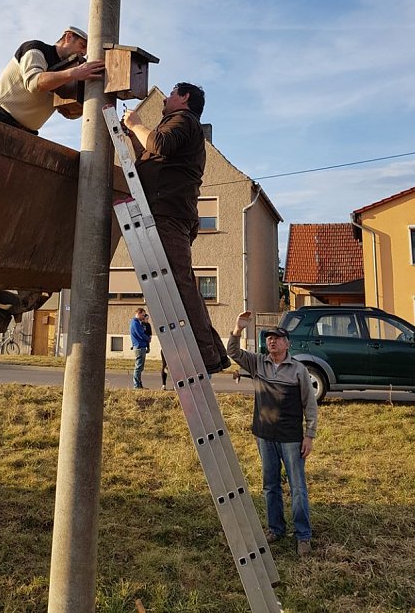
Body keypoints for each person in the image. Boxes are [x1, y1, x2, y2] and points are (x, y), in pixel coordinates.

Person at [122, 83, 230, 375]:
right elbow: (155, 155)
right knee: (181, 283)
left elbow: (159, 145)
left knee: (180, 284)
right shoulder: (180, 126)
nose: (165, 99)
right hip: (170, 211)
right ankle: (211, 353)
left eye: (171, 94)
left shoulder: (182, 121)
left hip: (168, 212)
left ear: (184, 98)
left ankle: (205, 356)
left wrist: (136, 124)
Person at [227, 312, 318, 556]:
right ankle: (275, 529)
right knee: (270, 485)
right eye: (269, 338)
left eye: (277, 338)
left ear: (287, 344)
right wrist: (238, 329)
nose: (272, 341)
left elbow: (310, 405)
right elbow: (233, 353)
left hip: (291, 438)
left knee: (297, 487)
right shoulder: (258, 364)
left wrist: (309, 435)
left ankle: (303, 536)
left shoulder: (298, 370)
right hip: (264, 436)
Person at [0, 26, 104, 134]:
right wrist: (73, 73)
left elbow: (69, 113)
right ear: (68, 37)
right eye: (82, 46)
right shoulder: (36, 49)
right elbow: (35, 83)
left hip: (28, 133)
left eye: (85, 52)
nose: (82, 53)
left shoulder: (69, 72)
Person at [130, 307, 150, 389]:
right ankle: (137, 386)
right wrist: (148, 338)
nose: (143, 316)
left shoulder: (137, 322)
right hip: (139, 346)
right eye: (143, 315)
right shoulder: (135, 323)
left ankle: (139, 385)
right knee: (138, 367)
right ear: (138, 313)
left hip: (140, 346)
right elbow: (140, 334)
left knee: (140, 367)